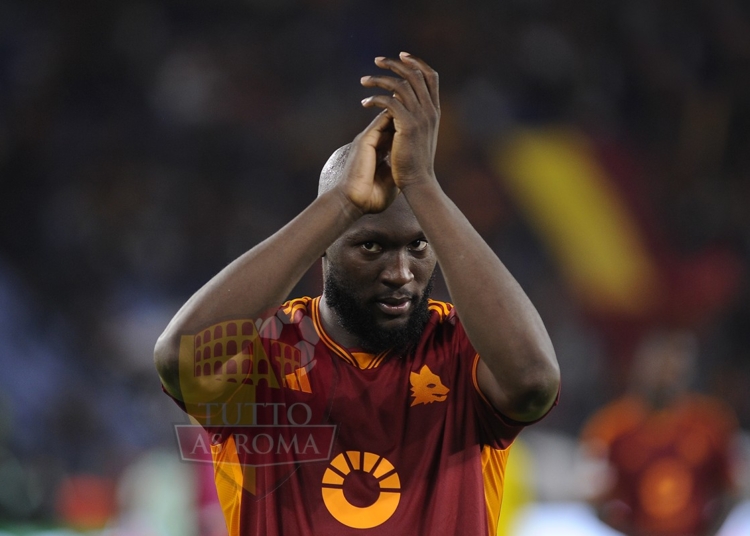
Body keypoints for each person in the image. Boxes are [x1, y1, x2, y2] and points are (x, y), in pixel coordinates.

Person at [154, 52, 560, 536]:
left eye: (418, 246)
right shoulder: (268, 354)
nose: (400, 273)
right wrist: (341, 203)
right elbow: (182, 360)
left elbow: (534, 382)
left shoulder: (462, 346)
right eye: (372, 246)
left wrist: (423, 184)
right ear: (323, 247)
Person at [580, 330, 740, 536]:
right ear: (640, 365)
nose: (667, 371)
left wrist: (708, 531)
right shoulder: (610, 426)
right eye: (660, 362)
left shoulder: (712, 422)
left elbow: (732, 489)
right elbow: (593, 498)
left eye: (675, 362)